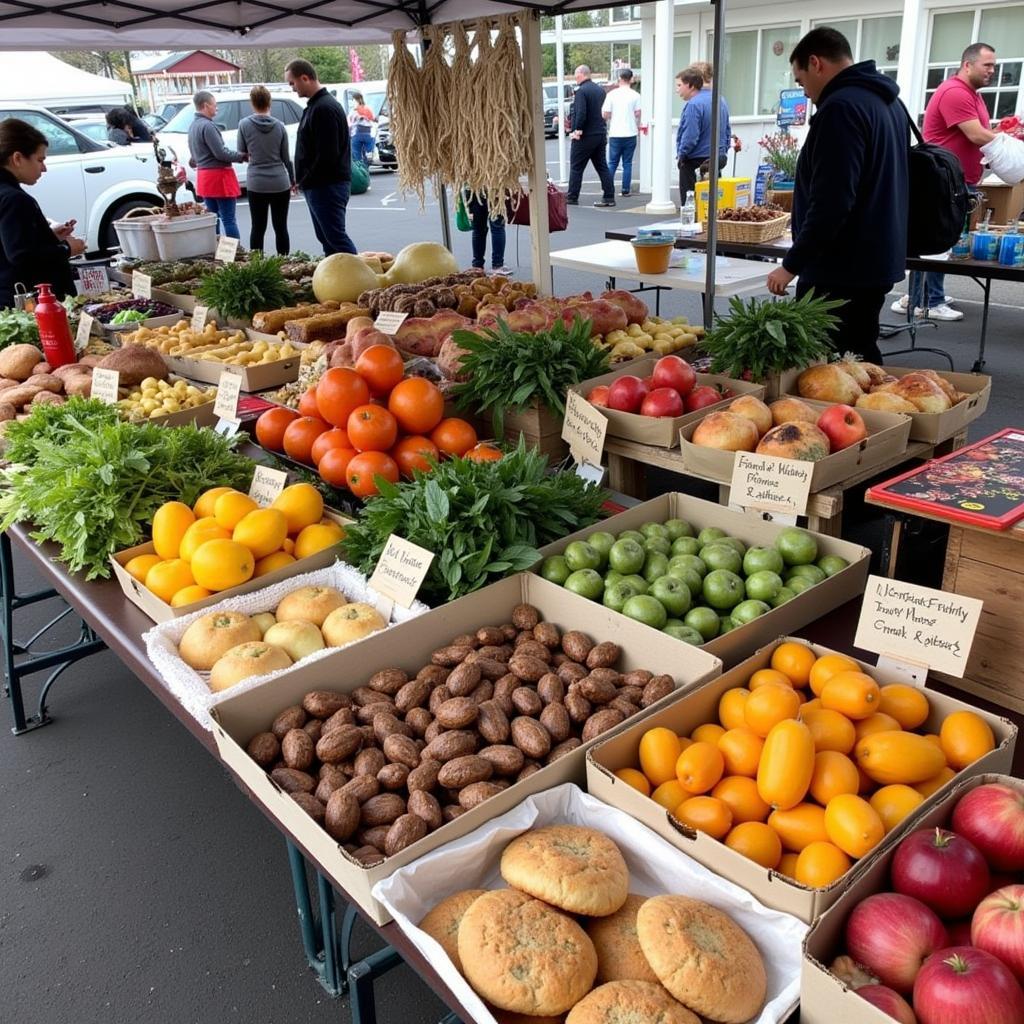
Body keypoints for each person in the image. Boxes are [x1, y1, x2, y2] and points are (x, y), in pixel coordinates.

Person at [766, 28, 909, 364]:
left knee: (830, 368)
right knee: (859, 357)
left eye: (801, 82)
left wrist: (790, 265)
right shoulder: (888, 102)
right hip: (874, 260)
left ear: (816, 63)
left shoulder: (841, 109)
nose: (806, 93)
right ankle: (880, 416)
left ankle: (870, 417)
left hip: (840, 270)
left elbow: (832, 202)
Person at [894, 42, 997, 323]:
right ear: (967, 64)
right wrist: (1006, 142)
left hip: (957, 181)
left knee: (943, 240)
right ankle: (927, 300)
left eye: (993, 65)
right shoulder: (955, 92)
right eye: (987, 65)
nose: (992, 70)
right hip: (942, 182)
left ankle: (919, 295)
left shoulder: (973, 95)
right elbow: (976, 135)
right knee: (937, 239)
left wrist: (1004, 133)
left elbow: (982, 133)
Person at [0, 118, 85, 307]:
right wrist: (68, 248)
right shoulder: (14, 198)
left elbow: (12, 239)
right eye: (40, 160)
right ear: (17, 158)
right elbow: (21, 255)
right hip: (25, 301)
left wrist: (49, 236)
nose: (44, 168)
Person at [286, 58, 356, 255]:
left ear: (305, 78)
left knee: (335, 237)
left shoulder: (323, 108)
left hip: (326, 185)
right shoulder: (317, 106)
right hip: (320, 185)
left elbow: (327, 154)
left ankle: (360, 280)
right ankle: (337, 280)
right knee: (327, 238)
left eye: (292, 83)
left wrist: (305, 179)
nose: (292, 88)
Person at [237, 85, 294, 255]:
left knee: (258, 227)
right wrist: (293, 180)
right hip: (280, 182)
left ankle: (257, 267)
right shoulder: (280, 126)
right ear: (269, 102)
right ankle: (284, 265)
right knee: (281, 227)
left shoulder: (244, 125)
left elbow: (242, 152)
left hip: (256, 182)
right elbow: (286, 157)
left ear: (252, 103)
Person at [187, 90, 245, 240]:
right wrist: (242, 156)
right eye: (215, 105)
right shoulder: (208, 126)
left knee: (213, 220)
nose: (216, 108)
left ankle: (215, 249)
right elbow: (221, 153)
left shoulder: (193, 127)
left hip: (204, 178)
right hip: (218, 177)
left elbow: (193, 157)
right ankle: (234, 253)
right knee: (228, 219)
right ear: (206, 105)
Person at [675, 66, 731, 203]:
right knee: (712, 202)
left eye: (679, 85)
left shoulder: (694, 105)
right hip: (716, 158)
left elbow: (690, 137)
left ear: (690, 85)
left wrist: (682, 155)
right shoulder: (720, 99)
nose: (677, 90)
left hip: (696, 161)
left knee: (691, 204)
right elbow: (727, 130)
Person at [566, 65, 615, 208]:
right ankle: (609, 196)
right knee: (602, 166)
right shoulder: (600, 90)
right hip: (599, 133)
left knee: (576, 167)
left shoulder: (581, 91)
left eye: (576, 76)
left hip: (585, 135)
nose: (575, 79)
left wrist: (577, 130)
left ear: (581, 74)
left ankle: (572, 196)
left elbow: (581, 112)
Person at [602, 68, 641, 198]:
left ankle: (608, 188)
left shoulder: (612, 95)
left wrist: (612, 115)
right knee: (627, 163)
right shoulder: (635, 95)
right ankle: (625, 189)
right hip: (630, 132)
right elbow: (638, 113)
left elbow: (605, 114)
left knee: (612, 163)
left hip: (615, 132)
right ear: (631, 79)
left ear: (619, 78)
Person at [464, 192, 511, 275]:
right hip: (495, 187)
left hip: (475, 187)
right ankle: (497, 265)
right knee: (497, 227)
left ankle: (477, 265)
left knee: (478, 229)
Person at [348, 91, 377, 167]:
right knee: (367, 155)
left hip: (356, 135)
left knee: (357, 157)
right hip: (368, 133)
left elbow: (349, 123)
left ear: (355, 100)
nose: (352, 101)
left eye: (352, 100)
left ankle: (361, 171)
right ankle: (366, 166)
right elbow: (374, 119)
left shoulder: (353, 111)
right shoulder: (368, 108)